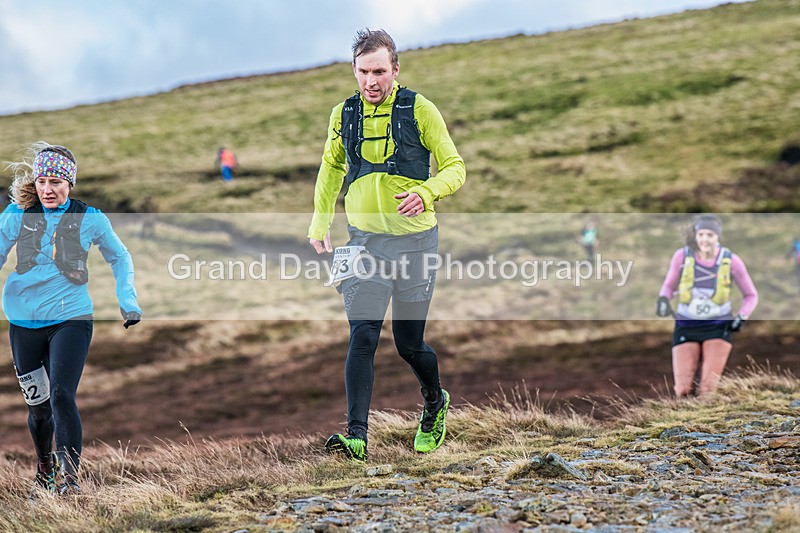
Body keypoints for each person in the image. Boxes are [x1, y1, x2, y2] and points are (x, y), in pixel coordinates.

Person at [308, 29, 466, 461]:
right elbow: (330, 168)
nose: (371, 81)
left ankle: (435, 401)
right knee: (362, 335)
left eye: (380, 71)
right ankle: (356, 437)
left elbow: (455, 167)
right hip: (363, 244)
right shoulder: (343, 114)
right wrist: (320, 222)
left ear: (395, 70)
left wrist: (428, 191)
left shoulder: (420, 109)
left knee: (408, 344)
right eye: (363, 71)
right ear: (353, 71)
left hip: (416, 243)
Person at [0, 142, 142, 496]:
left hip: (71, 317)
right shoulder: (16, 215)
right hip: (23, 322)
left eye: (56, 182)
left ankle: (71, 479)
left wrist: (127, 300)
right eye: (42, 181)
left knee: (62, 394)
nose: (48, 189)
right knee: (39, 410)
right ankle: (45, 467)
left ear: (70, 184)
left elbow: (120, 257)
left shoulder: (90, 218)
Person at [656, 215, 758, 397]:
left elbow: (751, 295)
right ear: (695, 235)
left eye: (710, 234)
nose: (704, 239)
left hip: (718, 328)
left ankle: (704, 425)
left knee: (707, 390)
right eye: (701, 234)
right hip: (686, 326)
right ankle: (683, 425)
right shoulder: (682, 256)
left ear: (717, 236)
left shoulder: (731, 261)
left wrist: (741, 317)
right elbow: (669, 286)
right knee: (683, 390)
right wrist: (663, 299)